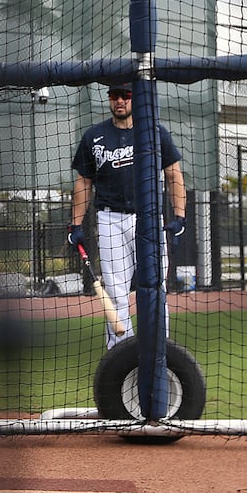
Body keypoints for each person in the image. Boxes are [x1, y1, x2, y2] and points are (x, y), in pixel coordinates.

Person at [68, 82, 187, 350]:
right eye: (114, 95)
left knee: (155, 288)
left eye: (126, 95)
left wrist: (179, 217)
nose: (119, 101)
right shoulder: (94, 136)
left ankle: (159, 351)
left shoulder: (154, 133)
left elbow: (173, 174)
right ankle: (121, 356)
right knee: (117, 292)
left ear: (136, 99)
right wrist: (75, 223)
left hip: (148, 219)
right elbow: (83, 182)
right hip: (109, 219)